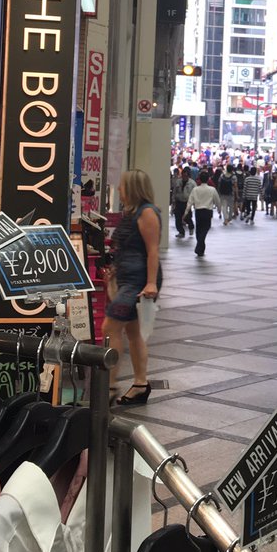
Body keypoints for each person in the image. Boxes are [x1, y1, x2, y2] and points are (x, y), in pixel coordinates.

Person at [103, 170, 162, 407]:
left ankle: (109, 385)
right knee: (133, 331)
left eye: (123, 185)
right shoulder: (131, 212)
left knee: (110, 327)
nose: (119, 189)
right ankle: (140, 384)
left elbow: (153, 250)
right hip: (127, 277)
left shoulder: (147, 212)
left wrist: (151, 283)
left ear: (133, 188)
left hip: (138, 281)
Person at [187, 170, 220, 257]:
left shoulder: (195, 189)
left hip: (198, 211)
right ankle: (200, 247)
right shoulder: (212, 189)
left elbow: (190, 202)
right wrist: (219, 210)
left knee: (198, 230)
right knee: (205, 229)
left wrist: (186, 211)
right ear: (208, 179)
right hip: (208, 212)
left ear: (200, 179)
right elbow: (217, 200)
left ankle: (200, 248)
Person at [171, 166, 194, 240]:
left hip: (187, 203)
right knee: (177, 217)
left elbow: (195, 193)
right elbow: (174, 191)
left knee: (187, 217)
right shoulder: (178, 182)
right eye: (183, 175)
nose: (184, 177)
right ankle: (181, 232)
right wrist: (173, 200)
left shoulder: (192, 183)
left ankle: (191, 227)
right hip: (178, 202)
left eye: (186, 176)